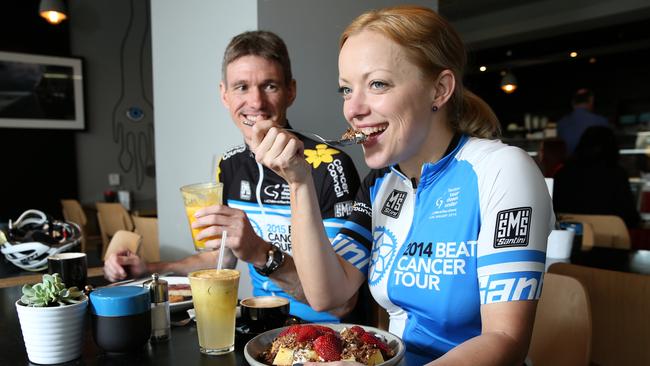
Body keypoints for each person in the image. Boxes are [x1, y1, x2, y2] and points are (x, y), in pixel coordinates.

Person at [250, 5, 554, 365]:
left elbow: (506, 340)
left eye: (377, 84)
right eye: (346, 90)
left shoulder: (503, 170)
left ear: (439, 90)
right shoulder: (381, 183)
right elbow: (327, 295)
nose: (354, 109)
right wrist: (299, 182)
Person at [104, 30, 364, 323]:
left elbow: (342, 304)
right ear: (224, 95)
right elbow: (222, 259)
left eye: (270, 86)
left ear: (291, 91)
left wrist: (261, 254)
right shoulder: (228, 165)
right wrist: (150, 267)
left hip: (325, 332)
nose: (256, 102)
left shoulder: (331, 165)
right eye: (241, 87)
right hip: (257, 322)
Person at [554, 126, 640, 228]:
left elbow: (553, 212)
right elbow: (630, 217)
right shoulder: (617, 174)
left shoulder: (562, 173)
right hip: (610, 239)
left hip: (571, 238)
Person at [557, 88, 609, 154]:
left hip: (572, 163)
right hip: (594, 163)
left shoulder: (561, 124)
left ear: (573, 103)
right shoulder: (601, 122)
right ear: (591, 100)